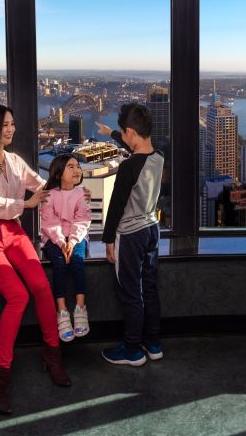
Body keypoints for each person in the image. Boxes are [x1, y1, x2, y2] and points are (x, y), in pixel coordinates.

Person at [0, 104, 71, 415]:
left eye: (13, 124)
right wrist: (27, 203)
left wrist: (70, 190)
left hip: (11, 232)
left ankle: (52, 355)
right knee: (18, 296)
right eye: (6, 125)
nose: (11, 129)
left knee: (40, 286)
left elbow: (41, 186)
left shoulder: (13, 160)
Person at [97, 103, 165, 367]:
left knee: (130, 292)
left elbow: (115, 207)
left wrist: (108, 240)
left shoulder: (127, 168)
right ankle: (153, 343)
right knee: (149, 287)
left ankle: (132, 349)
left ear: (131, 132)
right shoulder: (158, 156)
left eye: (123, 134)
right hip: (152, 230)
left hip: (131, 234)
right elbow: (137, 152)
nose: (123, 138)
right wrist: (112, 135)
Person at [40, 153, 92, 342]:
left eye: (78, 166)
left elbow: (83, 219)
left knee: (78, 263)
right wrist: (62, 243)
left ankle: (80, 307)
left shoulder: (82, 193)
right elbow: (49, 223)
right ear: (59, 172)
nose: (77, 170)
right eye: (71, 167)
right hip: (54, 240)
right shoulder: (49, 195)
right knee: (60, 264)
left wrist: (72, 241)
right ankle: (61, 310)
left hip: (77, 238)